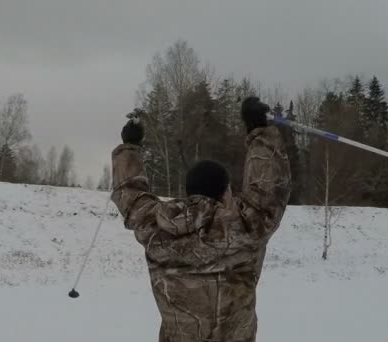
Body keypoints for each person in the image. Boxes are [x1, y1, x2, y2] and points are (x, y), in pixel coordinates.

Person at [110, 97, 291, 342]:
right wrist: (259, 131)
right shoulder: (246, 228)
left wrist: (130, 146)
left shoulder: (156, 229)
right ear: (224, 191)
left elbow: (130, 195)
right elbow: (268, 191)